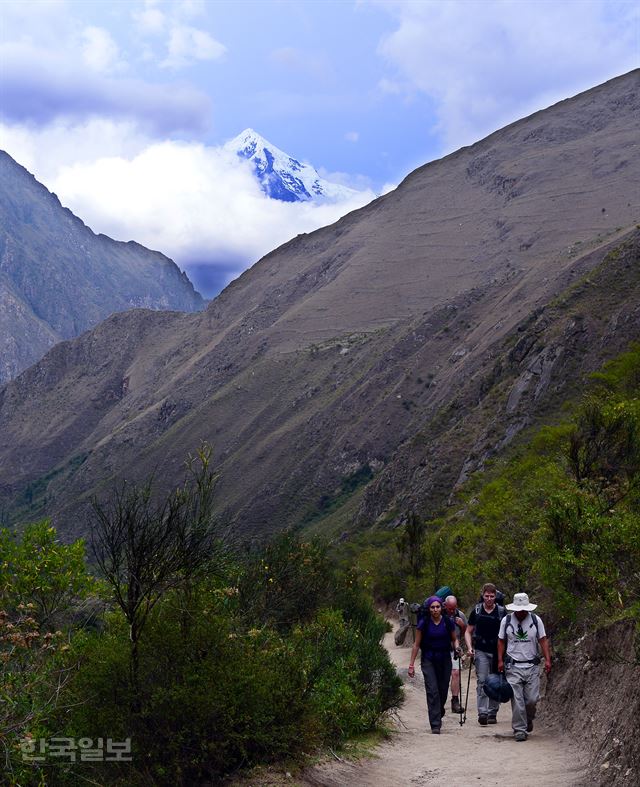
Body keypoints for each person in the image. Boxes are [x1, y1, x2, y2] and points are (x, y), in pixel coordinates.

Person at [497, 592, 552, 742]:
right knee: (517, 699)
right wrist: (500, 660)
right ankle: (519, 729)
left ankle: (528, 719)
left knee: (532, 700)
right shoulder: (506, 620)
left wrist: (547, 659)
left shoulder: (536, 620)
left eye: (524, 609)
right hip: (513, 665)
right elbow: (501, 641)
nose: (521, 612)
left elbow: (542, 639)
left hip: (532, 666)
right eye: (518, 609)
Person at [408, 595, 461, 734]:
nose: (435, 609)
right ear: (429, 609)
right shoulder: (423, 623)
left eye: (437, 607)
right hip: (428, 659)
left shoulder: (448, 622)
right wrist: (411, 664)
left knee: (443, 690)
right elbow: (416, 645)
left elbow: (454, 639)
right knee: (432, 690)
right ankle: (435, 724)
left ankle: (439, 709)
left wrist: (457, 648)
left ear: (441, 608)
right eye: (432, 607)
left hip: (444, 659)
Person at [465, 582, 505, 725]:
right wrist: (470, 647)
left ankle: (492, 712)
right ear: (483, 595)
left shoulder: (501, 612)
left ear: (495, 597)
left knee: (495, 681)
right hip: (481, 650)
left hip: (497, 651)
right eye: (486, 596)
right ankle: (482, 712)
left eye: (492, 596)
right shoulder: (476, 611)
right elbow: (468, 631)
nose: (489, 599)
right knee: (482, 681)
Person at [444, 595, 467, 713]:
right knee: (443, 676)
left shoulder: (460, 615)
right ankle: (440, 701)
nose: (452, 611)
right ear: (445, 606)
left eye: (454, 608)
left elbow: (465, 632)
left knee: (456, 673)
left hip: (455, 649)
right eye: (450, 609)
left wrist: (462, 625)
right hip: (441, 649)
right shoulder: (440, 614)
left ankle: (455, 701)